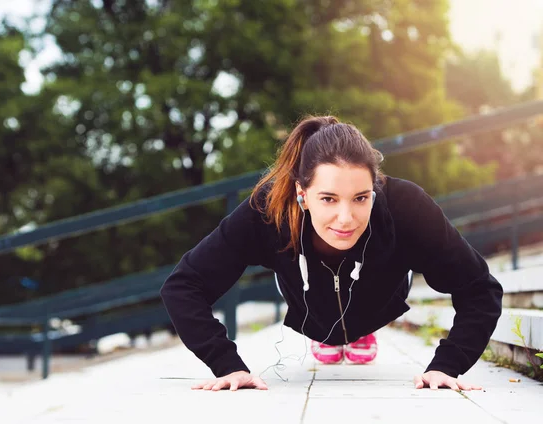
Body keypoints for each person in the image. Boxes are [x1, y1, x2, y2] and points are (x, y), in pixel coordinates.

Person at [160, 116, 503, 392]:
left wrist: (447, 365)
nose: (345, 218)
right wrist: (228, 365)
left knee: (375, 274)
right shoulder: (269, 211)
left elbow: (480, 288)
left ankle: (356, 332)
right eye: (328, 198)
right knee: (321, 317)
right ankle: (328, 335)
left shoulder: (405, 207)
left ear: (375, 187)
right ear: (302, 193)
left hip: (381, 293)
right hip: (306, 296)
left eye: (361, 198)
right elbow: (183, 286)